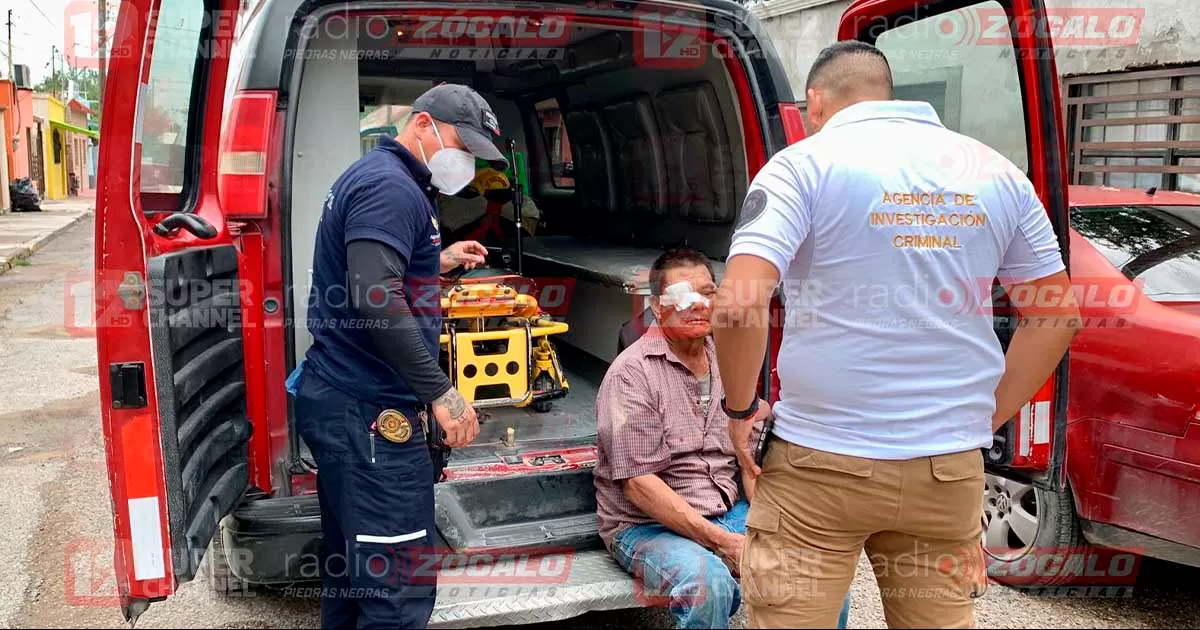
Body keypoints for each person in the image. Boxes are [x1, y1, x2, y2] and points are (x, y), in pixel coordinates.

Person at [711, 42, 1081, 628]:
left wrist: (740, 408)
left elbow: (736, 306)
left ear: (815, 103)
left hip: (819, 465)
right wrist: (978, 419)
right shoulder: (997, 172)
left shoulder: (802, 166)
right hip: (947, 471)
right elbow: (1058, 316)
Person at [289, 83, 510, 629]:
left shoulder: (390, 179)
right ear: (423, 125)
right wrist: (440, 393)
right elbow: (374, 295)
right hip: (368, 415)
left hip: (345, 401)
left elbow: (378, 272)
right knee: (396, 593)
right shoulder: (390, 187)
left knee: (354, 574)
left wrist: (435, 261)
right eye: (463, 145)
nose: (467, 162)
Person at [594, 247, 852, 629]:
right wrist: (723, 542)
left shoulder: (726, 361)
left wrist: (772, 525)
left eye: (708, 293)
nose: (699, 304)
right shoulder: (631, 374)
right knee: (708, 583)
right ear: (658, 307)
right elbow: (638, 485)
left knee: (820, 571)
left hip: (727, 508)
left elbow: (749, 460)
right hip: (647, 525)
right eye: (683, 295)